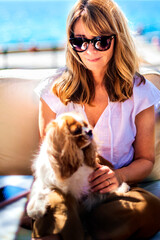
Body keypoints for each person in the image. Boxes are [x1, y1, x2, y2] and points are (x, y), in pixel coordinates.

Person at [32, 0, 160, 239]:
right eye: (79, 41)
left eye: (101, 41)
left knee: (150, 207)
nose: (89, 51)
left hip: (113, 192)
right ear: (71, 43)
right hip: (66, 188)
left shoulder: (141, 92)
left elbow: (145, 160)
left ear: (117, 39)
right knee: (56, 207)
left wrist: (118, 176)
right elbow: (49, 156)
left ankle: (81, 229)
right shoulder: (53, 90)